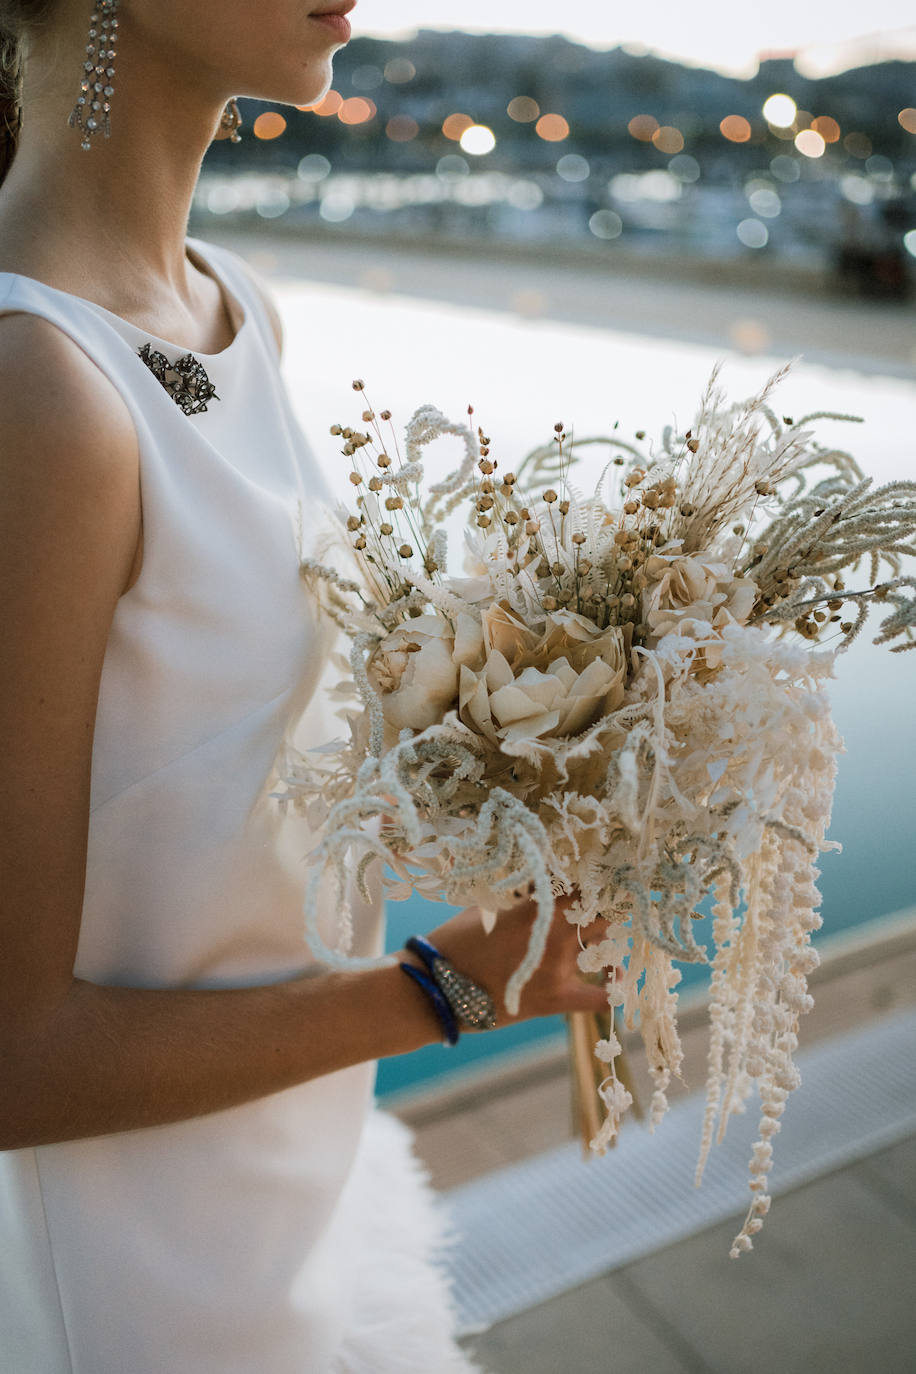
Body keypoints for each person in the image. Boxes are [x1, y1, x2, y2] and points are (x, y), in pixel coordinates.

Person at [0, 3, 610, 1371]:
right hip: (143, 1280)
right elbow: (8, 1056)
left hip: (294, 1174)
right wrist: (444, 990)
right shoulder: (33, 386)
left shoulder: (232, 300)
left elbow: (230, 776)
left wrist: (536, 766)